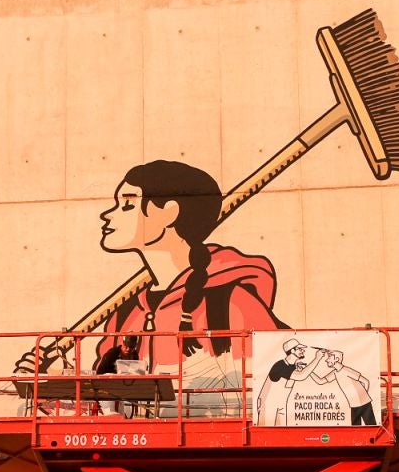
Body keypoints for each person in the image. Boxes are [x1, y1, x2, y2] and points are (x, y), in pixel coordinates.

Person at [95, 161, 282, 414]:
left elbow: (276, 380)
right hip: (142, 438)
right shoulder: (126, 315)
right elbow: (98, 387)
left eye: (127, 204)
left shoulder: (228, 303)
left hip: (217, 433)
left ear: (169, 212)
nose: (107, 214)